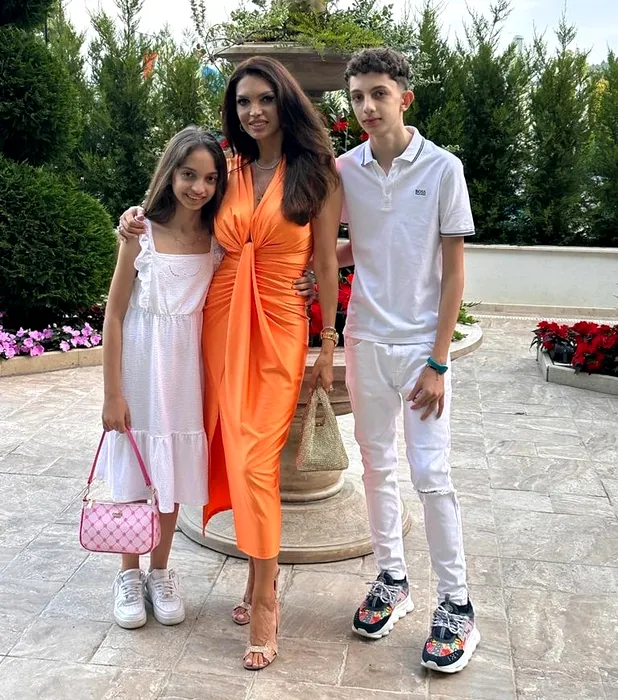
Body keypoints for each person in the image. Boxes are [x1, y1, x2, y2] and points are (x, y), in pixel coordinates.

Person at [119, 57, 342, 670]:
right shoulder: (230, 168)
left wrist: (328, 339)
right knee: (227, 445)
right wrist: (134, 218)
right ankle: (253, 578)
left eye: (265, 99)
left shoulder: (317, 172)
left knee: (254, 461)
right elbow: (182, 215)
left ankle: (266, 598)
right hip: (218, 320)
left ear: (284, 101)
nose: (254, 111)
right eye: (243, 101)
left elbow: (327, 259)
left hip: (279, 321)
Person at [335, 48, 480, 674]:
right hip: (365, 341)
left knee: (432, 474)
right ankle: (392, 579)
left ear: (404, 98)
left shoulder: (444, 168)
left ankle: (457, 604)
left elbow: (453, 272)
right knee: (376, 467)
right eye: (358, 96)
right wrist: (310, 271)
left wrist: (438, 362)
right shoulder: (346, 170)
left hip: (422, 350)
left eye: (379, 94)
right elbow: (357, 244)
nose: (367, 106)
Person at [98, 126, 227, 630]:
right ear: (170, 172)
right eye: (189, 174)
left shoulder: (217, 240)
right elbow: (114, 315)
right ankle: (128, 574)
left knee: (169, 473)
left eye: (210, 179)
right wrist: (113, 393)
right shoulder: (141, 233)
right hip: (139, 367)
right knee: (135, 474)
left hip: (184, 374)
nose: (199, 187)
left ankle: (159, 571)